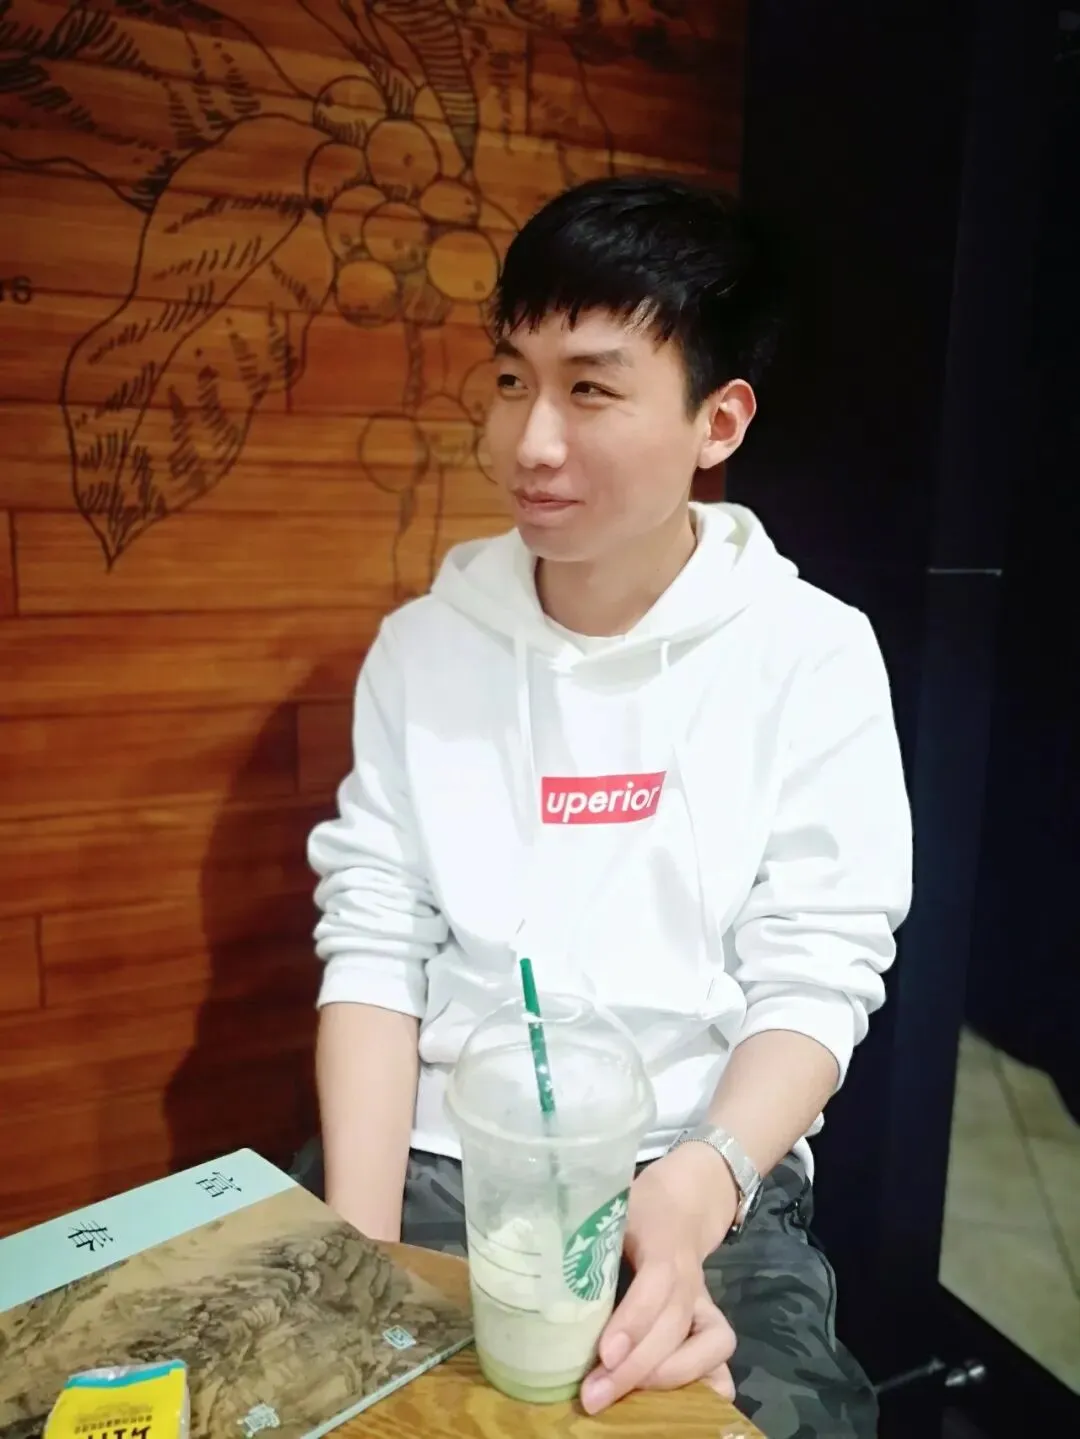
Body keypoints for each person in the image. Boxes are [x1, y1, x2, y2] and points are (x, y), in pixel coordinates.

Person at [298, 175, 913, 1439]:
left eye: (590, 389)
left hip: (698, 1170)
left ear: (717, 420)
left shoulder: (812, 652)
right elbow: (373, 945)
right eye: (512, 378)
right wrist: (364, 1251)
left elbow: (819, 971)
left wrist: (698, 1184)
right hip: (441, 1163)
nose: (529, 441)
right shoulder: (424, 648)